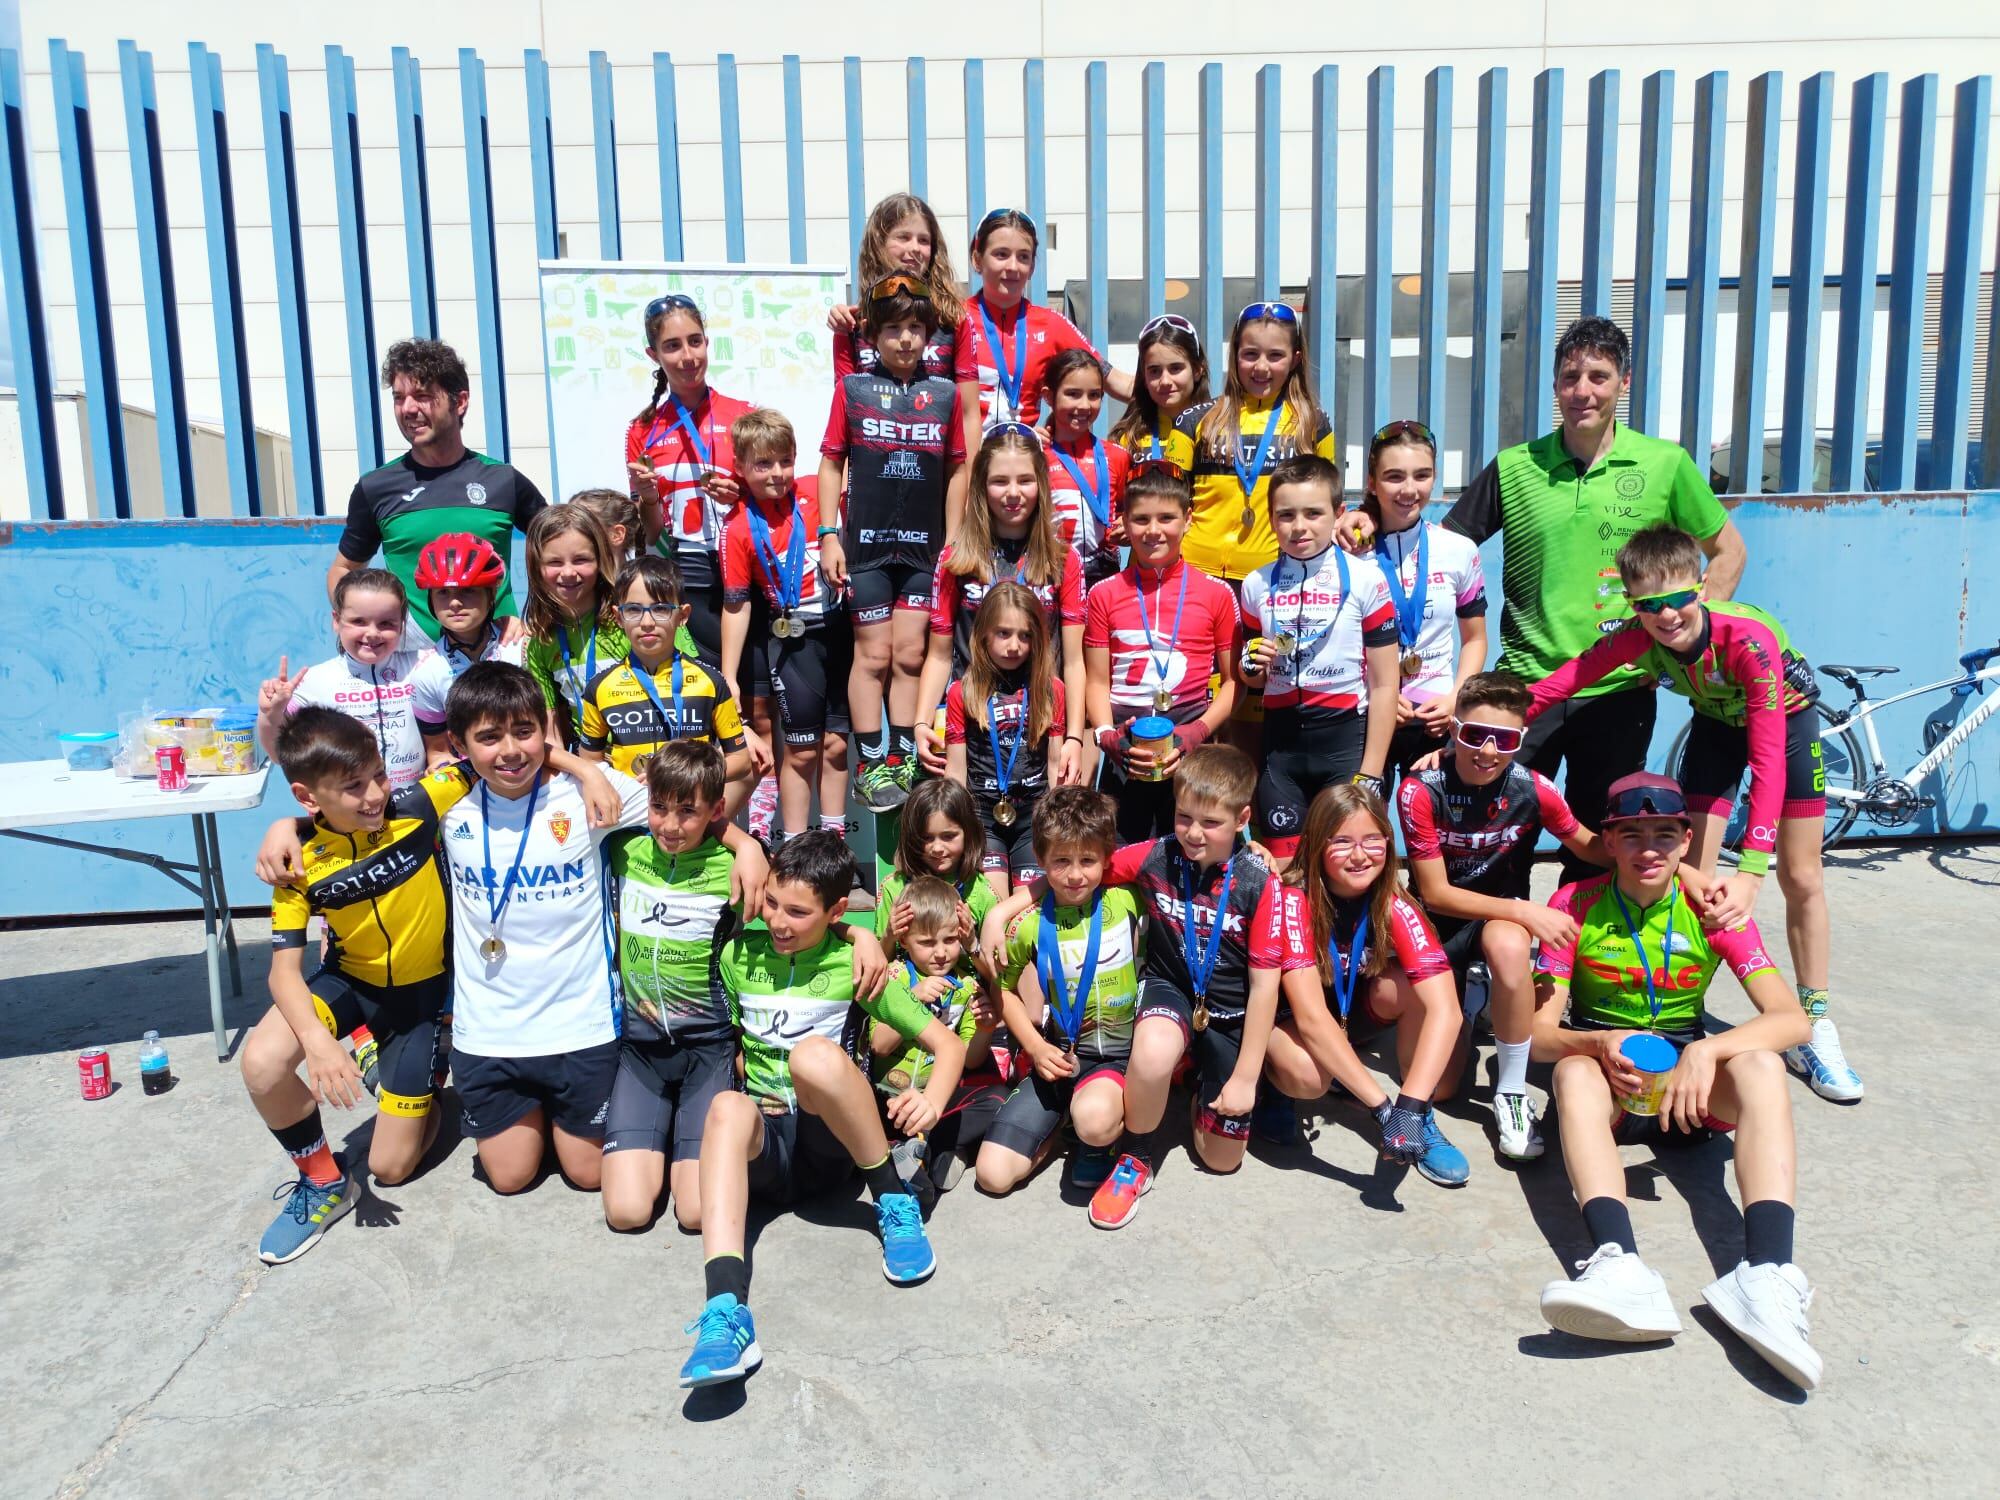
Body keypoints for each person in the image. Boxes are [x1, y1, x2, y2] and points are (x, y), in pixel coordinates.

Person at [1341, 317, 1748, 877]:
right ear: (1556, 386)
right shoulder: (1515, 466)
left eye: (1599, 377)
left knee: (1598, 839)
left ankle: (1575, 955)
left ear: (1623, 382)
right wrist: (1367, 513)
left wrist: (1683, 646)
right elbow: (1438, 547)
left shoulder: (1665, 464)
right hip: (1525, 687)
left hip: (1620, 688)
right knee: (1494, 839)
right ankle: (1493, 951)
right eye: (1570, 377)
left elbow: (1728, 552)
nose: (1583, 390)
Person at [1526, 524, 1858, 1103]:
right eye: (1650, 605)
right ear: (1633, 605)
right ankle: (1674, 1012)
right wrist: (1483, 727)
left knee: (1799, 874)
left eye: (1678, 598)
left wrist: (1753, 868)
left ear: (1701, 588)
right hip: (1715, 728)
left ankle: (1814, 1021)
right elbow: (1568, 680)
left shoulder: (1746, 641)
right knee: (1689, 871)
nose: (1667, 615)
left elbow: (1767, 761)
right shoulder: (1640, 636)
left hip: (1785, 727)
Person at [1531, 772, 1822, 1392]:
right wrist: (1595, 1042)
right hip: (1612, 1076)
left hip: (1692, 1092)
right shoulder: (1573, 904)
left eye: (1665, 834)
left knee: (1763, 1063)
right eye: (1630, 834)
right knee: (1573, 1073)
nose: (1649, 849)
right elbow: (1538, 1032)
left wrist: (1709, 1051)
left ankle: (1766, 1274)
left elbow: (1792, 1020)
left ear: (1686, 842)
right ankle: (1619, 1266)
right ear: (1607, 842)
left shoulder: (1713, 910)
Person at [678, 831, 965, 1389]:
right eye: (772, 904)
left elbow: (946, 1045)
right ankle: (725, 1316)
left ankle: (892, 1200)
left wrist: (931, 1101)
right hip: (766, 1148)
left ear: (835, 912)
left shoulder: (859, 966)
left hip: (828, 1144)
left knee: (814, 1056)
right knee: (725, 1108)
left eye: (799, 912)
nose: (779, 922)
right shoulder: (739, 955)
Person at [599, 741, 884, 1233]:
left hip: (706, 1051)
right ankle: (658, 1139)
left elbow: (795, 915)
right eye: (659, 808)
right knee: (626, 1213)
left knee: (693, 1214)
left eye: (687, 812)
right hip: (641, 1050)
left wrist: (858, 933)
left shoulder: (736, 867)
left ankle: (676, 1142)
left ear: (715, 812)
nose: (669, 825)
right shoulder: (624, 849)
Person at [240, 711, 472, 1263]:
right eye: (353, 786)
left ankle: (392, 1065)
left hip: (423, 998)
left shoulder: (417, 805)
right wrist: (318, 1045)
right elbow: (282, 971)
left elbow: (497, 760)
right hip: (351, 983)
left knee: (390, 1168)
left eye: (378, 775)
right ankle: (324, 1182)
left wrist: (580, 771)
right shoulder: (296, 862)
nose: (374, 795)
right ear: (307, 796)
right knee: (264, 1063)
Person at [1396, 670, 1607, 1159]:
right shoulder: (1419, 788)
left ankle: (1511, 1091)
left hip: (1499, 926)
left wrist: (1673, 865)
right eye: (1474, 735)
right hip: (1439, 922)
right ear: (1453, 729)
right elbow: (1437, 892)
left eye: (1504, 739)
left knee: (1511, 944)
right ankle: (1472, 999)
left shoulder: (1535, 787)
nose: (1488, 751)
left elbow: (1591, 848)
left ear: (1521, 740)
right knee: (1439, 1088)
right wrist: (1527, 911)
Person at [1077, 746, 1288, 1227]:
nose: (1193, 833)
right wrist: (1007, 910)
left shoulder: (1260, 884)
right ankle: (1135, 1157)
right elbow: (1082, 868)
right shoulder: (1156, 855)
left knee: (1221, 1160)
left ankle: (1200, 1084)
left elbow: (1263, 988)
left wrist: (1244, 1079)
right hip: (1171, 988)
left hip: (1232, 1014)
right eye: (1183, 816)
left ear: (1243, 819)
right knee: (1151, 1054)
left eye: (1211, 822)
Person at [817, 275, 969, 810]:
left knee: (909, 656)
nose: (905, 339)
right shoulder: (852, 389)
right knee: (873, 655)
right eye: (893, 330)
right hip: (867, 548)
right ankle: (873, 762)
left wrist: (952, 541)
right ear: (873, 337)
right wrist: (829, 533)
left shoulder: (945, 394)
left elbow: (956, 469)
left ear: (929, 335)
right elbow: (831, 460)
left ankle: (904, 758)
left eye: (914, 329)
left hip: (925, 549)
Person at [1285, 783, 1471, 1185]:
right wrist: (1383, 1108)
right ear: (1316, 844)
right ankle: (1275, 1096)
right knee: (1306, 1074)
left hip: (1353, 1014)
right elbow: (1312, 1019)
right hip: (1294, 1023)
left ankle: (1418, 1119)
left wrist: (1410, 1104)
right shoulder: (1293, 898)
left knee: (1413, 993)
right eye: (1342, 842)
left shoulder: (1393, 901)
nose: (1359, 855)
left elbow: (1445, 1009)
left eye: (1373, 840)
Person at [975, 787, 1145, 1198]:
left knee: (1094, 1120)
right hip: (1056, 1057)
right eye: (1061, 862)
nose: (1074, 875)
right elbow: (1004, 990)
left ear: (1106, 858)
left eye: (1088, 861)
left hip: (1113, 1060)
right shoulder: (1029, 922)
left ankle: (1094, 1137)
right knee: (992, 1176)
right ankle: (1057, 1134)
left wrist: (1256, 854)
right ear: (1040, 859)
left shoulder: (1127, 897)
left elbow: (1184, 858)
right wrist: (1034, 1046)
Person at [1237, 454, 1400, 863]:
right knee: (1286, 871)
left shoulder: (1367, 578)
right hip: (1282, 748)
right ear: (1271, 518)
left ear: (1338, 513)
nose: (1299, 526)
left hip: (1344, 742)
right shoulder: (1256, 584)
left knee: (1346, 869)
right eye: (1286, 514)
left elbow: (1385, 685)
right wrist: (1251, 666)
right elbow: (1253, 679)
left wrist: (1372, 773)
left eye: (1313, 513)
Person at [332, 338, 545, 643]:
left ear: (460, 402)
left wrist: (533, 616)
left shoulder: (503, 480)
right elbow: (342, 569)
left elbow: (557, 550)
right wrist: (363, 627)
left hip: (497, 659)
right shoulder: (375, 488)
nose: (407, 409)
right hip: (412, 662)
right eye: (399, 397)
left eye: (422, 396)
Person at [913, 423, 1086, 778]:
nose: (1013, 493)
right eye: (999, 481)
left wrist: (1074, 737)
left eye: (1025, 480)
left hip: (1041, 731)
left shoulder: (1064, 560)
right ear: (980, 486)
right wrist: (920, 722)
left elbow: (1073, 661)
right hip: (972, 731)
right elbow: (940, 654)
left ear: (1041, 484)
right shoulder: (955, 560)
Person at [1084, 466, 1241, 842]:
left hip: (1191, 751)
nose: (1153, 531)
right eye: (1140, 519)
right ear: (1124, 522)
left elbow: (1236, 682)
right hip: (1125, 753)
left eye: (1166, 518)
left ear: (1188, 520)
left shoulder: (1216, 593)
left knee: (1192, 864)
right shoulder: (1103, 594)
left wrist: (1197, 732)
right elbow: (1095, 679)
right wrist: (1107, 735)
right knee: (1119, 866)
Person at [720, 409, 850, 844]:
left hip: (840, 631)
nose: (777, 474)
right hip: (794, 642)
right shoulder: (739, 527)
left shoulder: (817, 492)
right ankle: (796, 847)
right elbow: (736, 605)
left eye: (785, 461)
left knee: (835, 746)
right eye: (763, 464)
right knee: (801, 749)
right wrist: (729, 676)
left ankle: (834, 845)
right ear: (739, 468)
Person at [1163, 300, 1337, 600]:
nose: (1261, 367)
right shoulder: (1193, 420)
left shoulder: (1314, 423)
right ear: (1235, 356)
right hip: (1196, 576)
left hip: (1277, 578)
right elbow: (1166, 502)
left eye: (1275, 356)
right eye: (1250, 354)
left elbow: (1329, 503)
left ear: (1295, 359)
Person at [624, 294, 753, 665]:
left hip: (747, 563)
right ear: (654, 356)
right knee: (706, 689)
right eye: (672, 346)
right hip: (690, 571)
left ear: (707, 343)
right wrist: (648, 499)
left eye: (695, 341)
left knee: (760, 698)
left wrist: (740, 498)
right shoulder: (642, 430)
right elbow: (649, 535)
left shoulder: (744, 414)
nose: (688, 357)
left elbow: (775, 503)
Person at [1357, 421, 1489, 783]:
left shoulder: (1459, 549)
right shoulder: (1351, 552)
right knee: (1365, 832)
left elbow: (1475, 639)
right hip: (1370, 712)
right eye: (1394, 477)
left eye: (1422, 475)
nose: (1409, 490)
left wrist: (1456, 699)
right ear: (1372, 482)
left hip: (1436, 717)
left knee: (1434, 832)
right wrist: (1377, 694)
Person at [578, 556, 753, 811]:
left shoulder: (711, 682)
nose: (647, 622)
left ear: (682, 615)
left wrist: (685, 778)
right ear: (618, 617)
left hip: (691, 823)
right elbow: (590, 764)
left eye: (660, 609)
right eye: (634, 610)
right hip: (629, 825)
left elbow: (740, 760)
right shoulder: (599, 688)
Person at [254, 568, 452, 791]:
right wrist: (271, 715)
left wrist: (500, 623)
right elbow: (282, 756)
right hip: (348, 816)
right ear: (336, 621)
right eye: (358, 621)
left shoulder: (427, 665)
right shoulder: (314, 682)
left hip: (418, 808)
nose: (372, 633)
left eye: (386, 623)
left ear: (402, 624)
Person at [868, 874, 998, 1197]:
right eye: (926, 943)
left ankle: (921, 1152)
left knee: (997, 1100)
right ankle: (929, 1153)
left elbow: (971, 1060)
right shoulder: (894, 977)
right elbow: (879, 1046)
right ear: (904, 942)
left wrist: (984, 1030)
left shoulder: (966, 985)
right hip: (890, 1098)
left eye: (950, 940)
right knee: (864, 1106)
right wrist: (913, 997)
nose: (940, 953)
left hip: (935, 1103)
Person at [827, 191, 984, 458]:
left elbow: (970, 415)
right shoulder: (852, 322)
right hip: (872, 479)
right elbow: (844, 423)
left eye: (924, 240)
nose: (914, 248)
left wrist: (969, 490)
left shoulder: (953, 318)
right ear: (879, 243)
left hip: (935, 476)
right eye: (903, 237)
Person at [945, 583, 1069, 896]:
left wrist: (1060, 827)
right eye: (1003, 633)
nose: (1014, 646)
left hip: (1034, 814)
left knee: (1027, 910)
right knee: (994, 902)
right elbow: (956, 772)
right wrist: (952, 825)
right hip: (982, 815)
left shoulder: (1051, 690)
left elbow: (1055, 764)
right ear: (983, 633)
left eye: (1025, 635)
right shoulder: (962, 692)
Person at [961, 208, 1132, 427]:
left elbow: (1117, 382)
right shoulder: (954, 318)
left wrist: (1181, 391)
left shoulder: (1051, 324)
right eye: (1001, 254)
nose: (1013, 266)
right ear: (977, 260)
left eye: (1023, 257)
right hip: (965, 459)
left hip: (1025, 457)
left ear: (1032, 267)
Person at [521, 504, 630, 750]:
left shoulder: (635, 616)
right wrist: (585, 772)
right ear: (536, 568)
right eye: (554, 562)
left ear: (601, 560)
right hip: (590, 762)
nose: (568, 573)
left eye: (581, 560)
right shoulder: (541, 643)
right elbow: (551, 738)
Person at [876, 777, 998, 962]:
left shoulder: (981, 891)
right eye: (926, 838)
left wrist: (972, 943)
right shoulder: (894, 888)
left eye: (948, 836)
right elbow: (878, 964)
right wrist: (889, 936)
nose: (938, 848)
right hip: (908, 987)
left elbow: (997, 974)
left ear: (969, 834)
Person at [1041, 348, 1130, 589]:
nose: (1084, 405)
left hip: (1103, 574)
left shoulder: (1117, 456)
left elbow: (1129, 512)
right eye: (1072, 394)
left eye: (1094, 395)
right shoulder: (1035, 454)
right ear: (1049, 396)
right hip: (1048, 575)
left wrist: (1129, 526)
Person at [1108, 313, 1210, 467]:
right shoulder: (1127, 439)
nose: (1165, 381)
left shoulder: (1218, 431)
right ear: (1144, 375)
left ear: (1197, 370)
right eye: (1155, 371)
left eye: (1175, 368)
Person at [414, 532, 523, 675]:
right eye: (443, 592)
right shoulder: (426, 672)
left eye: (467, 591)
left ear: (492, 595)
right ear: (431, 600)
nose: (454, 602)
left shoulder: (522, 648)